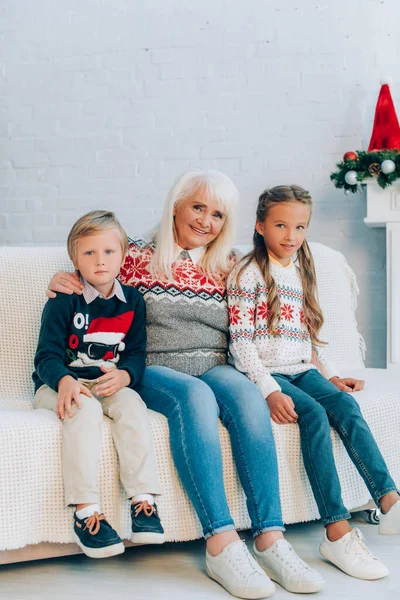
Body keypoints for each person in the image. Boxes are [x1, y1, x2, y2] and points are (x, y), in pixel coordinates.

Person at [47, 170, 325, 598]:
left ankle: (270, 537)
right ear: (175, 205)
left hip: (216, 362)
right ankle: (221, 542)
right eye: (198, 207)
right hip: (154, 366)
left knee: (249, 401)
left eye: (217, 214)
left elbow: (275, 316)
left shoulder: (231, 263)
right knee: (196, 398)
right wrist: (64, 281)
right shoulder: (136, 254)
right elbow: (95, 271)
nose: (206, 221)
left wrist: (318, 363)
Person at [227, 184, 400, 582]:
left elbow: (306, 337)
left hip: (302, 368)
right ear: (260, 225)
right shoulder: (247, 272)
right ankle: (336, 531)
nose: (291, 235)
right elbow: (240, 343)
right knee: (315, 416)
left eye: (300, 227)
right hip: (267, 373)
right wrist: (267, 389)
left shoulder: (301, 269)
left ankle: (389, 500)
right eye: (281, 225)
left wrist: (329, 375)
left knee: (345, 405)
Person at [34, 210, 164, 559]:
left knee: (133, 405)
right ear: (74, 258)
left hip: (107, 382)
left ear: (123, 256)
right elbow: (45, 357)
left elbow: (136, 353)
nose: (100, 261)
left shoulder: (133, 301)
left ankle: (143, 501)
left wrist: (125, 376)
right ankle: (86, 511)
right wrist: (63, 381)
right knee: (84, 410)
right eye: (89, 253)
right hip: (60, 384)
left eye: (108, 252)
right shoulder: (64, 299)